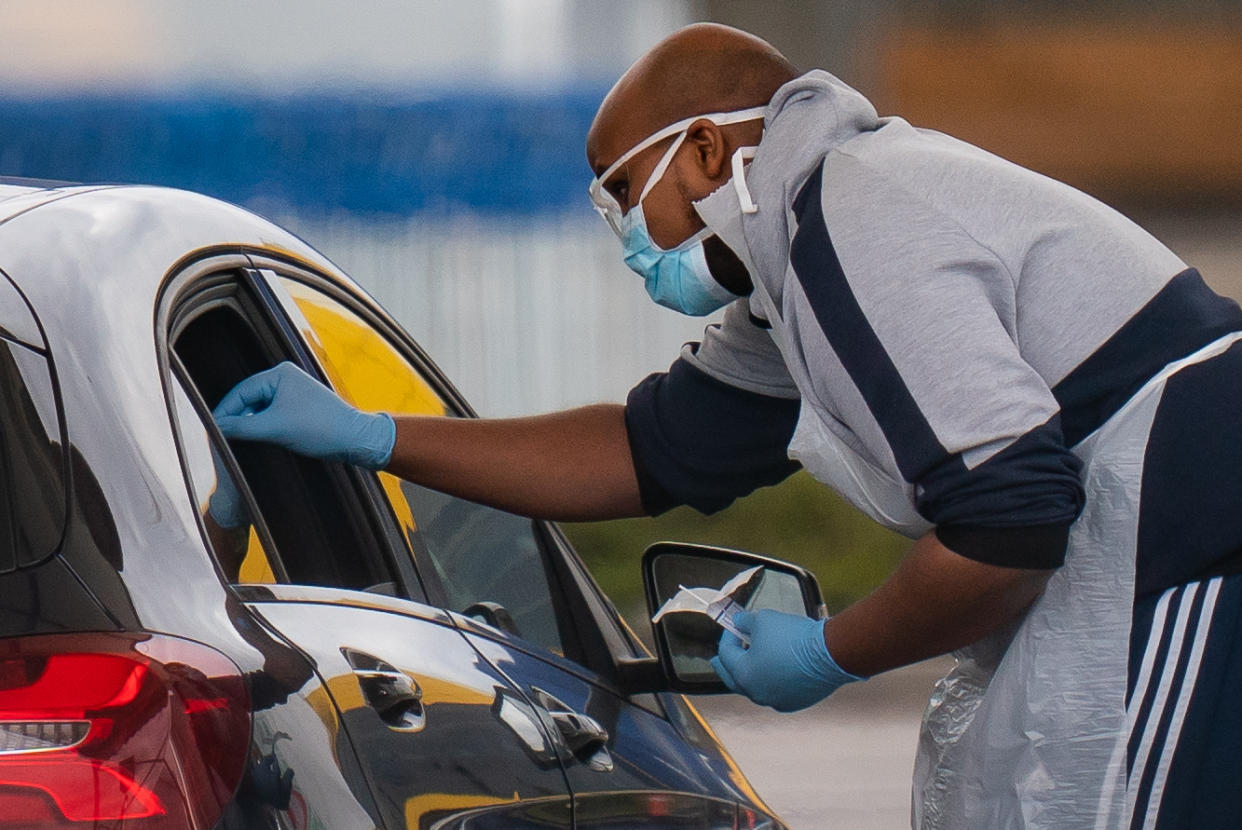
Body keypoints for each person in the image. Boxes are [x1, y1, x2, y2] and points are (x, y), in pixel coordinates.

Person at [214, 23, 1242, 830]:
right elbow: (645, 449)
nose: (623, 234)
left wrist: (834, 651)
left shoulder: (853, 221)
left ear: (705, 150)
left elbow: (1011, 524)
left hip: (1186, 536)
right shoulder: (794, 271)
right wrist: (377, 435)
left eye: (622, 193)